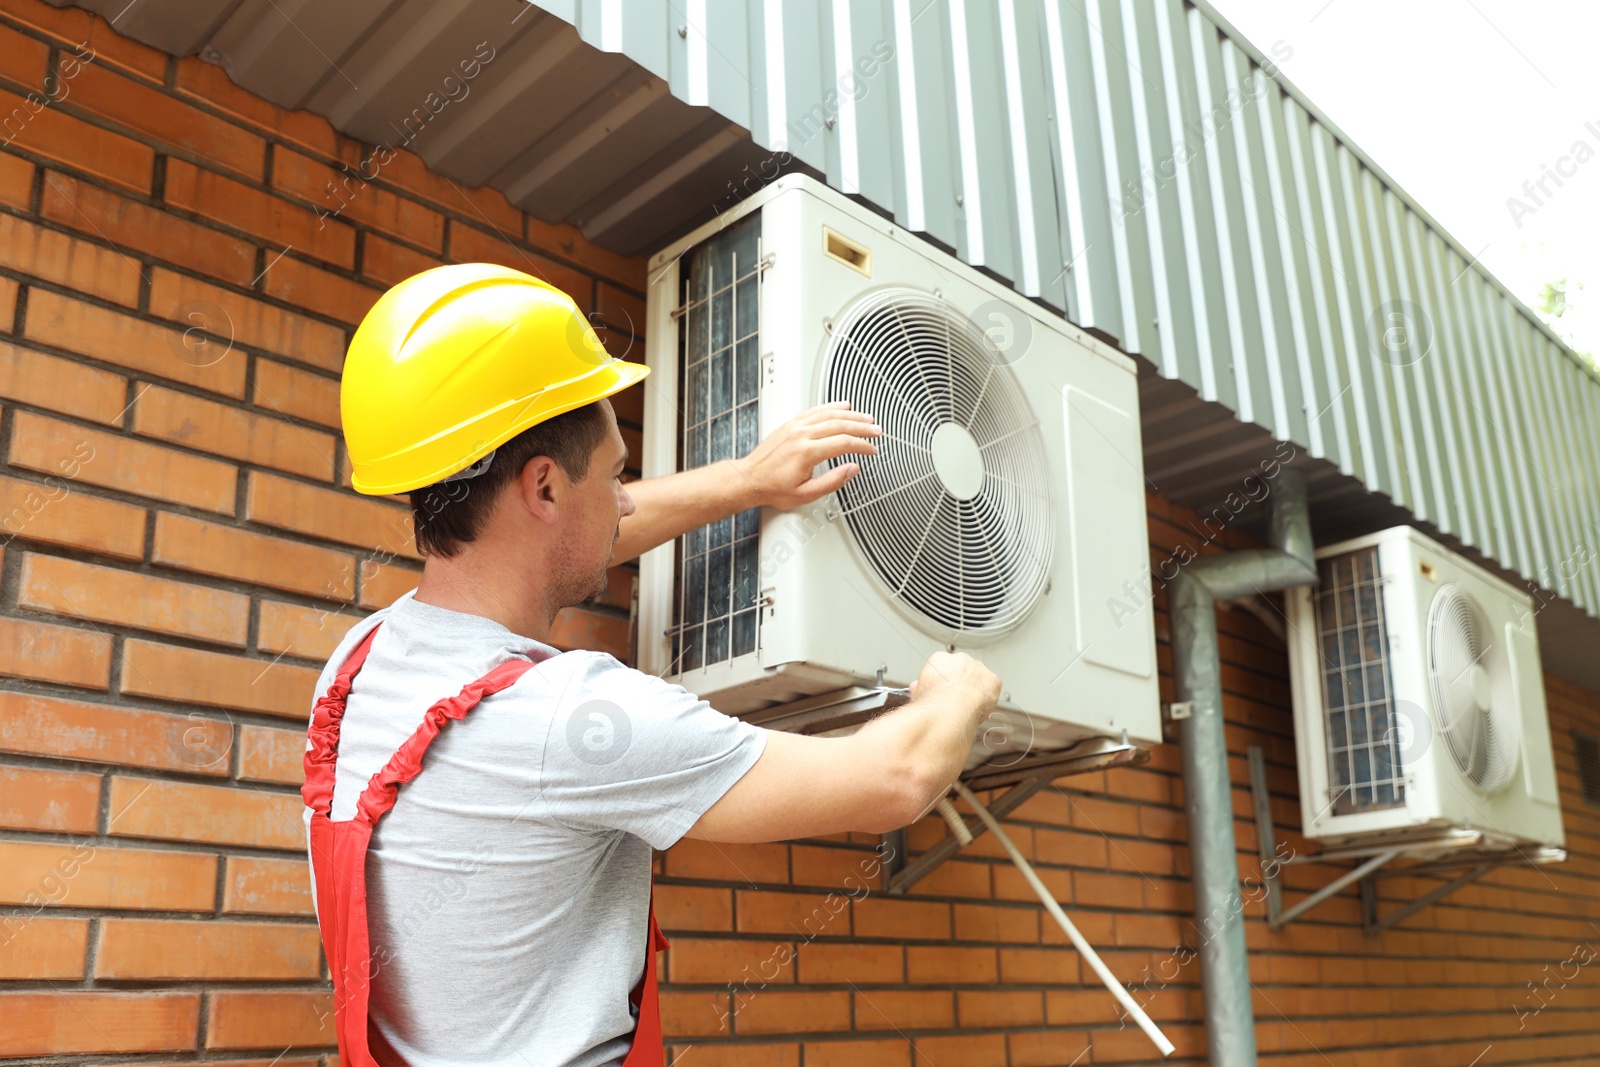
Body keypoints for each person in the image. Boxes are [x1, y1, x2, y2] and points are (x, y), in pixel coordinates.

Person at [303, 263, 1001, 1067]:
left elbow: (558, 539)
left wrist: (746, 480)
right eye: (618, 473)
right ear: (543, 487)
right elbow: (897, 779)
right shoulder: (572, 719)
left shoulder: (357, 666)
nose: (628, 500)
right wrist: (957, 691)